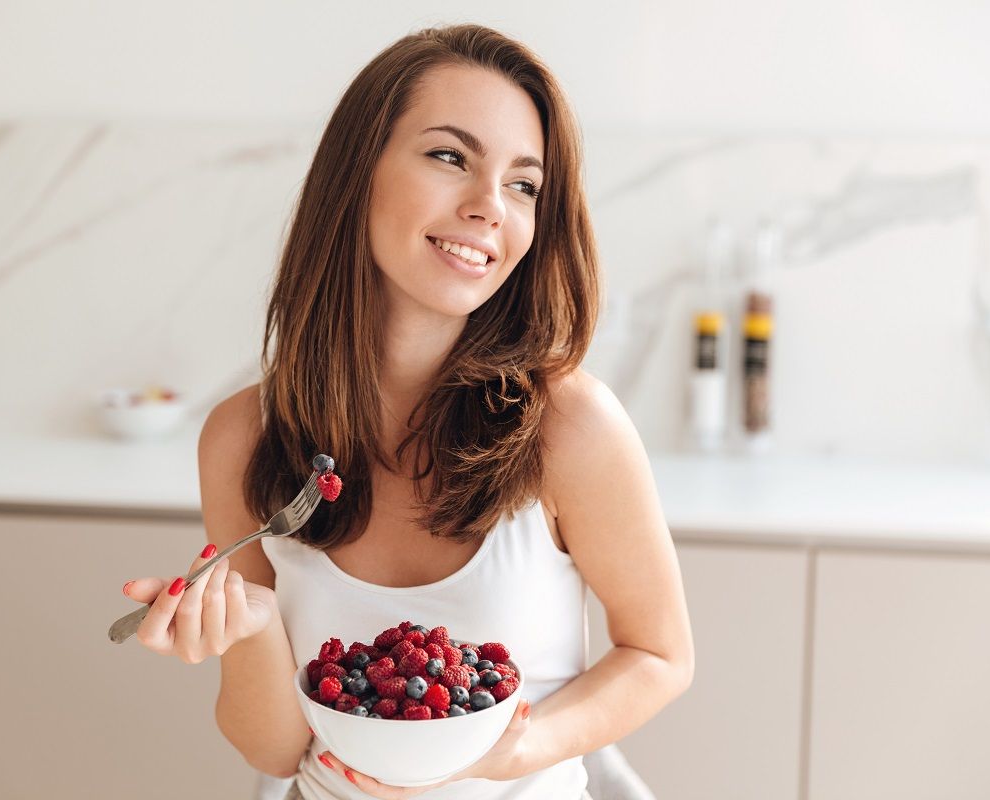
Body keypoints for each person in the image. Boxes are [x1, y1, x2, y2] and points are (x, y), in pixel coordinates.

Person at [121, 23, 694, 800]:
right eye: (450, 157)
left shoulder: (568, 427)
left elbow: (660, 656)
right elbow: (276, 748)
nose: (490, 207)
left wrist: (517, 748)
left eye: (525, 185)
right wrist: (249, 629)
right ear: (358, 173)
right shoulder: (244, 438)